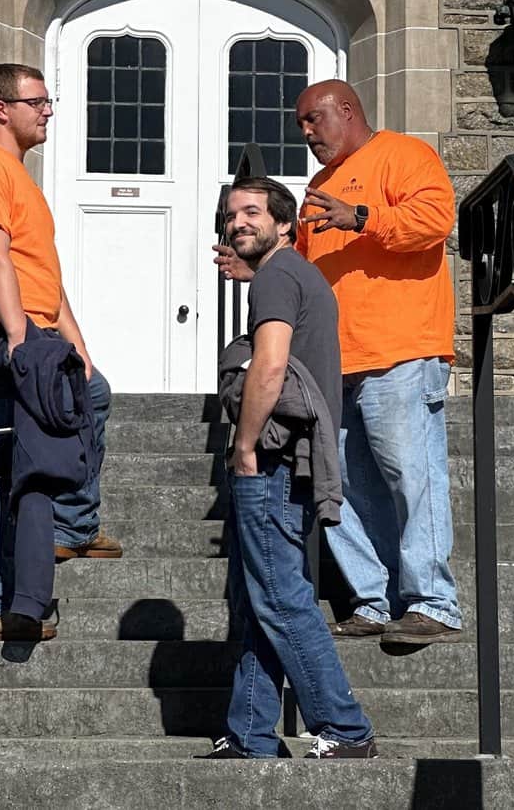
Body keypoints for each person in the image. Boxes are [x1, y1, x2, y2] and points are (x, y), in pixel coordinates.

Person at [200, 177, 377, 760]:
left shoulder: (277, 276)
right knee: (261, 597)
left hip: (272, 457)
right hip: (295, 457)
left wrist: (244, 445)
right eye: (231, 215)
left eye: (252, 212)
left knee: (279, 596)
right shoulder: (295, 275)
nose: (238, 223)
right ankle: (251, 732)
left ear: (285, 223)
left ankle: (345, 728)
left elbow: (269, 367)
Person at [0, 62, 121, 642]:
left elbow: (41, 274)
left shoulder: (21, 178)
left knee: (93, 394)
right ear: (3, 108)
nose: (47, 110)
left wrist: (75, 342)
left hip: (38, 337)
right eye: (38, 100)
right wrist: (19, 338)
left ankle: (71, 525)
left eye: (49, 100)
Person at [293, 80, 462, 643]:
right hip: (332, 360)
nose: (307, 132)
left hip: (401, 350)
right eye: (301, 125)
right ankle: (373, 599)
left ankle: (434, 603)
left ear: (347, 109)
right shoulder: (318, 187)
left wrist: (362, 216)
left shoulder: (406, 155)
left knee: (410, 476)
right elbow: (302, 266)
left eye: (313, 119)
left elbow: (435, 222)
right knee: (339, 485)